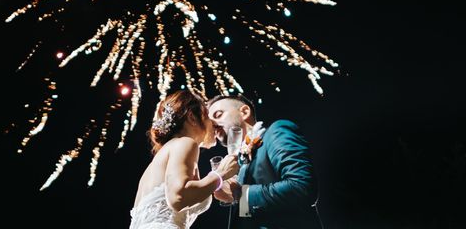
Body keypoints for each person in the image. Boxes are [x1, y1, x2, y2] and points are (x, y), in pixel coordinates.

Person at [207, 94, 323, 228]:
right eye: (210, 122)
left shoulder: (277, 131)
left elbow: (303, 188)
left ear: (245, 112)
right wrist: (235, 197)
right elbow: (248, 214)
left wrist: (241, 194)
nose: (213, 125)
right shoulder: (242, 159)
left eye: (218, 115)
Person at [129, 90, 240, 229]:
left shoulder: (168, 151)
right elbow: (178, 197)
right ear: (192, 117)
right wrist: (221, 173)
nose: (213, 123)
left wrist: (218, 186)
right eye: (207, 115)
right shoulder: (185, 143)